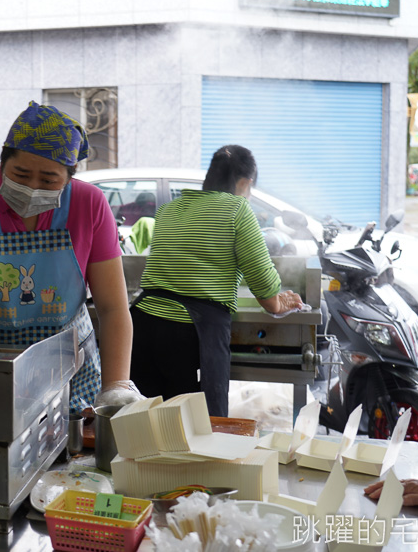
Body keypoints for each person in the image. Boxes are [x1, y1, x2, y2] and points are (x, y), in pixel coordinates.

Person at [0, 101, 141, 414]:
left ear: (70, 177)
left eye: (48, 180)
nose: (32, 188)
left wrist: (116, 386)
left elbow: (113, 308)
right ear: (3, 163)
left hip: (65, 374)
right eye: (20, 174)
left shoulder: (89, 204)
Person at [130, 144, 304, 417]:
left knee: (147, 426)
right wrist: (280, 301)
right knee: (197, 430)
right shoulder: (237, 209)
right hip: (188, 336)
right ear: (245, 183)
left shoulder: (169, 209)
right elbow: (264, 286)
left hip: (142, 327)